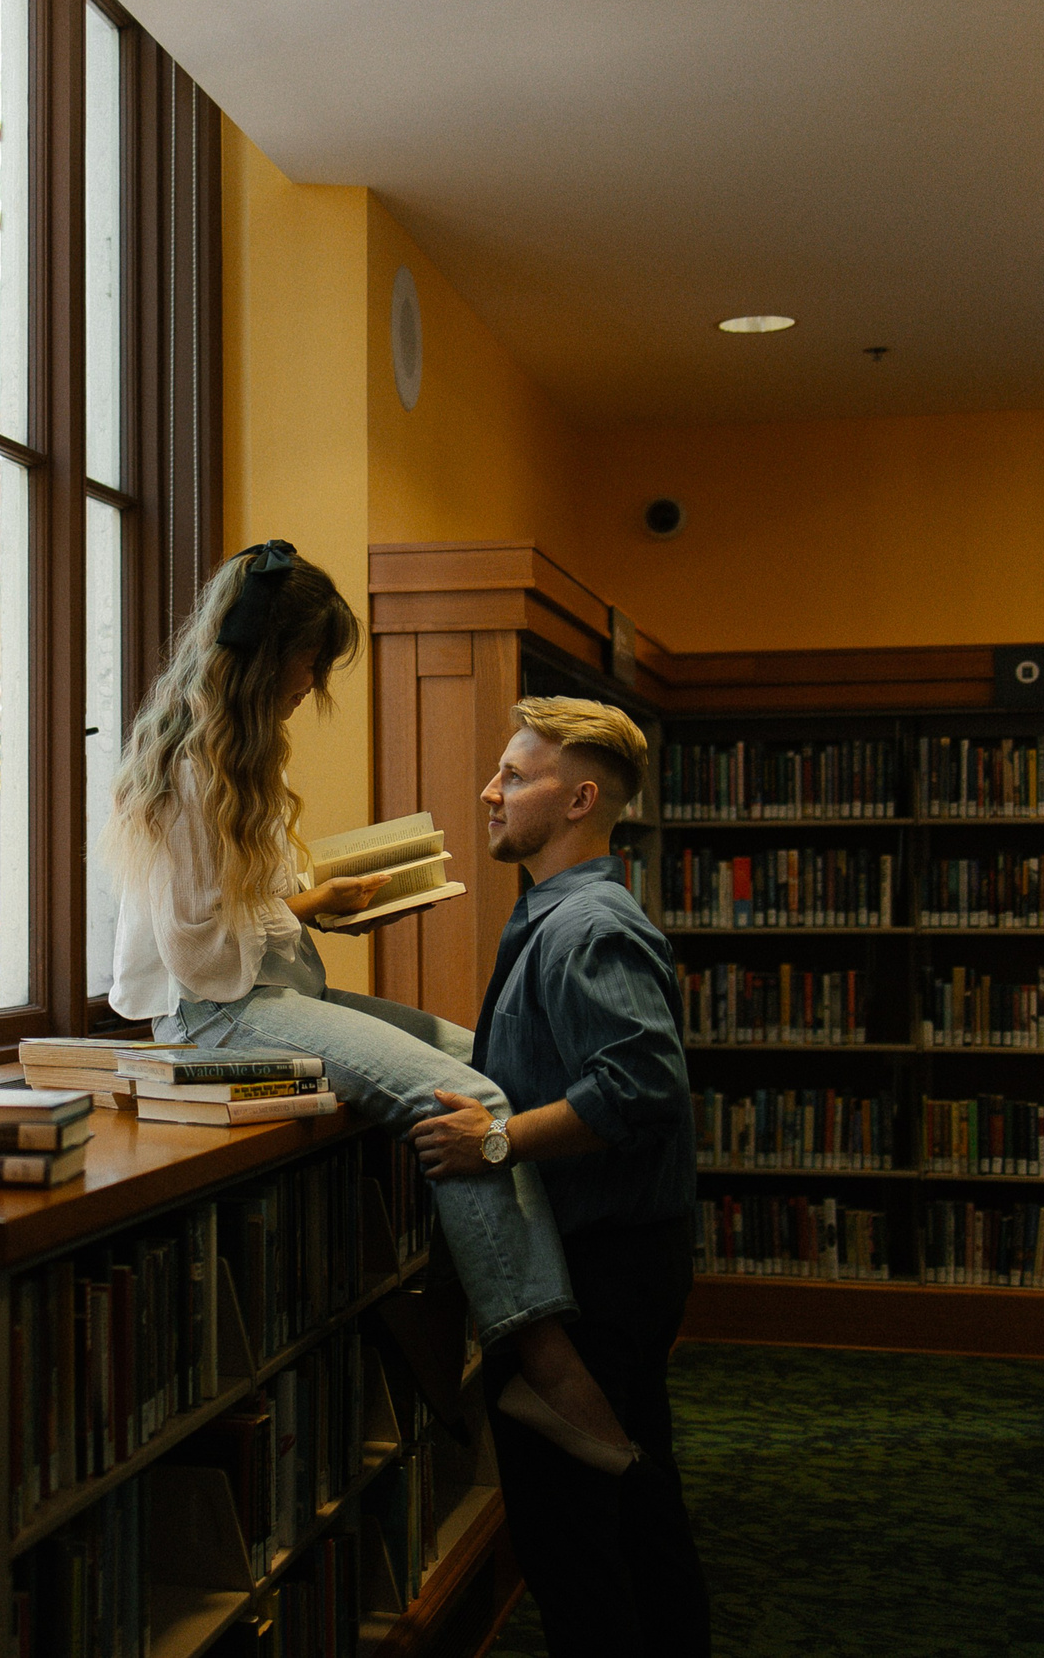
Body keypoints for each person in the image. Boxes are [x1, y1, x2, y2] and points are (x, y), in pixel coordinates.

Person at [106, 540, 636, 1471]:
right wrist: (294, 912)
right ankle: (545, 1363)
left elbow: (231, 916)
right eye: (311, 661)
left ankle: (472, 1300)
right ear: (274, 653)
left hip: (264, 991)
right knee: (460, 1101)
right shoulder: (194, 764)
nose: (313, 685)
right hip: (219, 1017)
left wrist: (314, 905)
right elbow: (202, 959)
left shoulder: (240, 752)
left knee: (489, 1064)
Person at [411, 696, 708, 1658]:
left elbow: (640, 1087)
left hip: (601, 1272)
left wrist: (492, 1142)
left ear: (580, 799)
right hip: (602, 1258)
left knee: (580, 1538)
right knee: (625, 1511)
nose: (489, 790)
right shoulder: (553, 914)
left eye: (515, 775)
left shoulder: (588, 929)